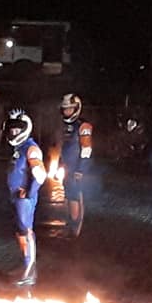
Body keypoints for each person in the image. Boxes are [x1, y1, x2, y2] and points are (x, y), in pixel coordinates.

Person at [4, 108, 46, 286]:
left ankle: (30, 271)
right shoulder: (19, 148)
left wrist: (28, 193)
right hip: (16, 197)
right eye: (11, 130)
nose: (13, 133)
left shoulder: (31, 148)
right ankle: (25, 265)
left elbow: (40, 175)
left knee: (26, 231)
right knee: (20, 232)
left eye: (17, 130)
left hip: (24, 199)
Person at [58, 93, 93, 238]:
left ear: (76, 109)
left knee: (75, 197)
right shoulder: (66, 126)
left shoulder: (83, 126)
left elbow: (86, 149)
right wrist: (60, 163)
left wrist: (81, 169)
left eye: (70, 109)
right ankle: (70, 225)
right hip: (67, 167)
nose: (67, 112)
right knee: (68, 196)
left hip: (77, 169)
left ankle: (75, 230)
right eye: (65, 109)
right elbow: (64, 146)